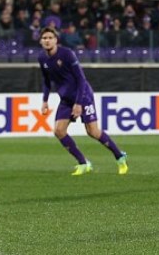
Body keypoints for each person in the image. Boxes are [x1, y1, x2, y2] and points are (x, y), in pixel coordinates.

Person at [38, 27, 128, 176]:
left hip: (83, 96)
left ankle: (119, 156)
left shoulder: (67, 54)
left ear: (56, 40)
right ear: (41, 41)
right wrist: (45, 100)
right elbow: (46, 81)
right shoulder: (42, 59)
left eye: (50, 38)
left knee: (92, 131)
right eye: (44, 38)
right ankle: (83, 163)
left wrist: (79, 103)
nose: (47, 41)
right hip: (66, 99)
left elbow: (81, 79)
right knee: (59, 131)